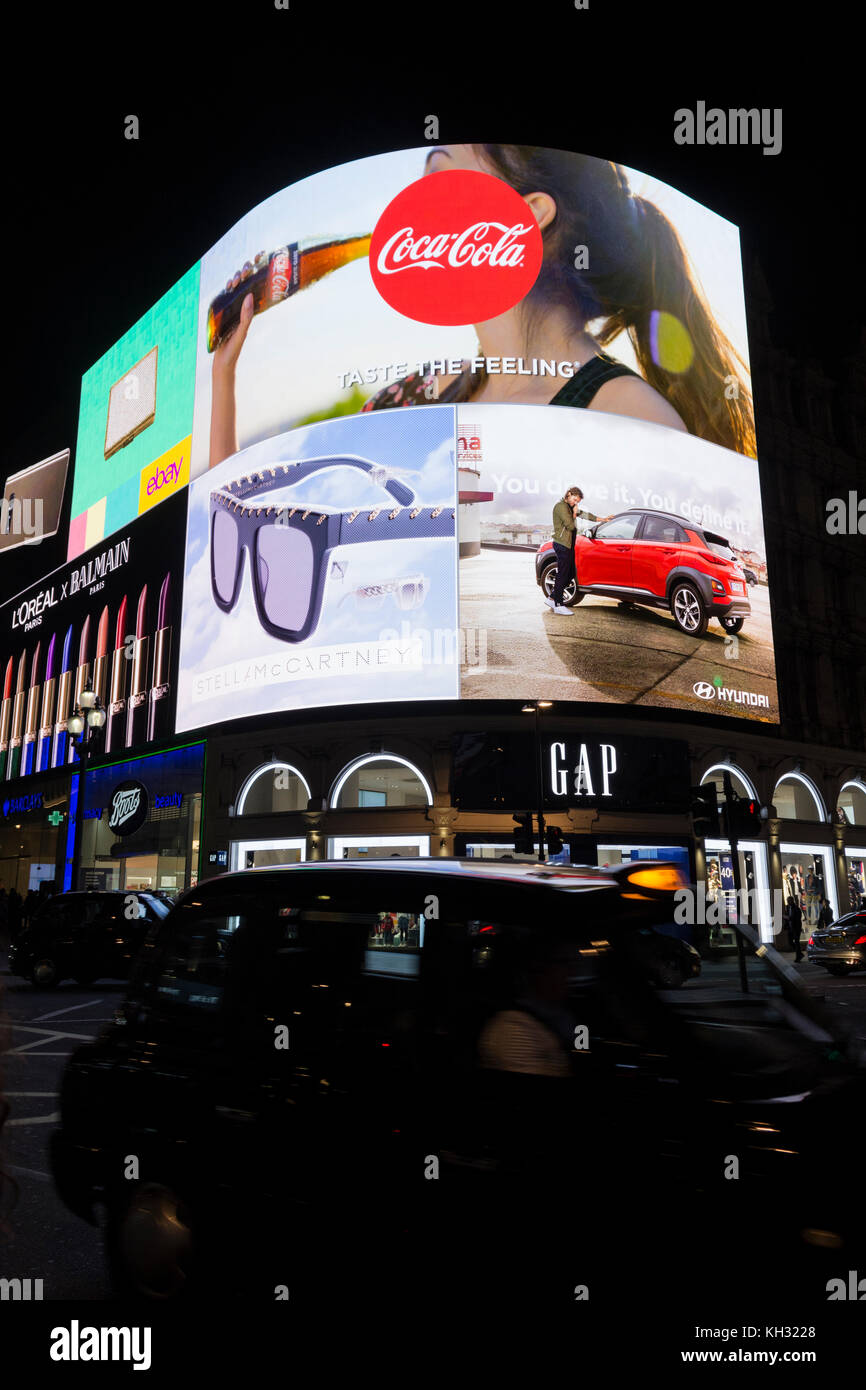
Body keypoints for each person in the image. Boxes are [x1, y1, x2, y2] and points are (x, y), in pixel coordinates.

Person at [209, 144, 756, 470]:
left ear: (527, 214)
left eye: (441, 174)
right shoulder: (416, 396)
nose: (413, 206)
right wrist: (224, 381)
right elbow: (252, 532)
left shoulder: (631, 418)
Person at [544, 486, 612, 615]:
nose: (575, 503)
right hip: (562, 544)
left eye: (577, 501)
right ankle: (558, 604)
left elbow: (586, 515)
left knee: (569, 574)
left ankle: (552, 598)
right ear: (569, 494)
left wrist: (603, 519)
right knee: (563, 573)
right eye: (575, 499)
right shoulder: (560, 507)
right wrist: (575, 512)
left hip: (568, 545)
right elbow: (570, 525)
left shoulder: (570, 507)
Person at [786, 896, 803, 961]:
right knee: (790, 942)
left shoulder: (796, 908)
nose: (788, 902)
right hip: (790, 928)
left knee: (796, 942)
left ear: (792, 901)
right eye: (787, 900)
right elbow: (788, 916)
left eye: (789, 900)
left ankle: (798, 956)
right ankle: (800, 953)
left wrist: (788, 918)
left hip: (796, 928)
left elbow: (797, 918)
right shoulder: (788, 907)